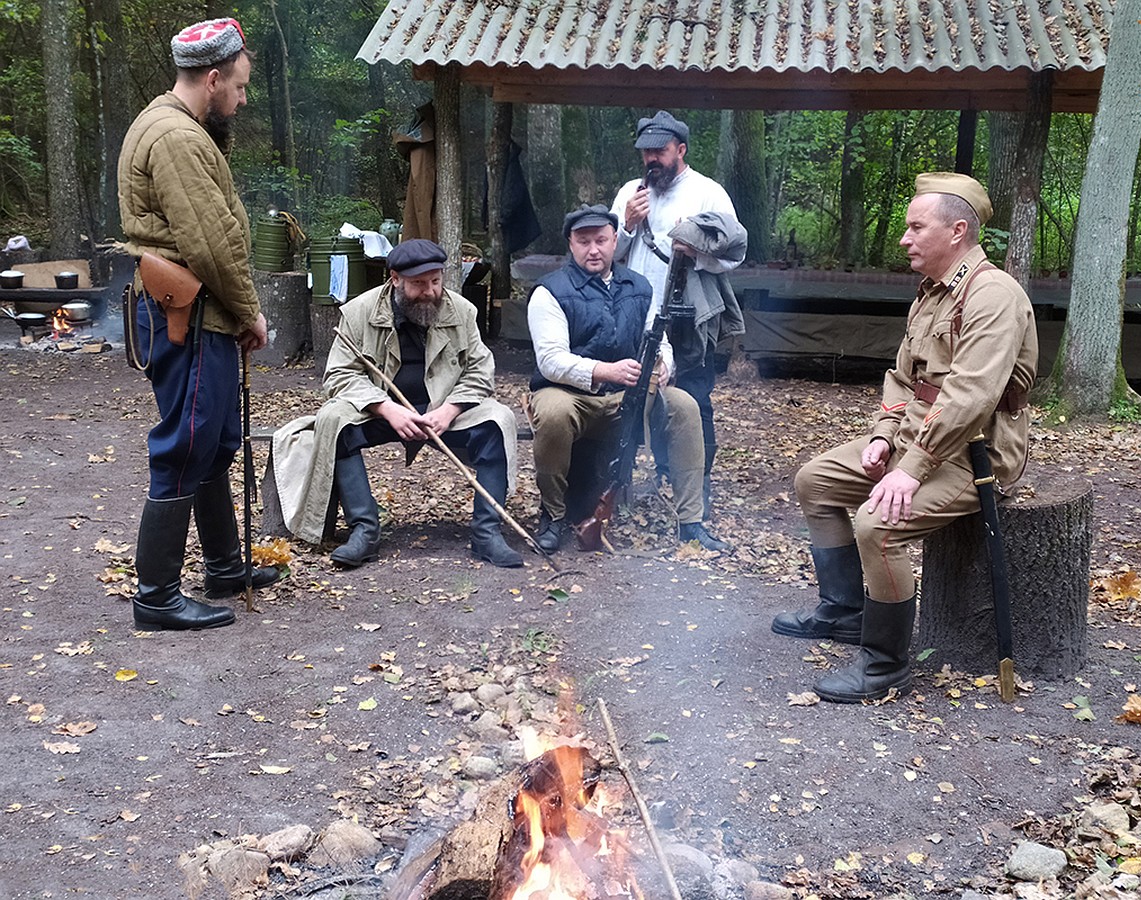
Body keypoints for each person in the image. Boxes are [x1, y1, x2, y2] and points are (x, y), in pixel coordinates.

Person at [773, 173, 1038, 703]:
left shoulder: (993, 295)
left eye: (916, 227)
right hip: (918, 436)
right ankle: (847, 610)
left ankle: (885, 663)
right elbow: (902, 379)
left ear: (958, 230)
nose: (904, 238)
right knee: (816, 481)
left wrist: (908, 469)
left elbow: (969, 398)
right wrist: (882, 438)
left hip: (976, 452)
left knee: (879, 523)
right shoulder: (931, 293)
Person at [117, 17, 282, 631]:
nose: (240, 101)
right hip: (188, 311)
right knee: (186, 443)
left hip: (200, 312)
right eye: (237, 89)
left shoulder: (179, 126)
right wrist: (251, 312)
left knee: (212, 443)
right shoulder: (175, 137)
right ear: (212, 79)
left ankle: (222, 567)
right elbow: (211, 245)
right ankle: (156, 596)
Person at [271, 239, 523, 569]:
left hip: (442, 409)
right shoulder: (359, 312)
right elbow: (338, 375)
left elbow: (480, 369)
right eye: (419, 284)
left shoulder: (461, 311)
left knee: (498, 419)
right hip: (381, 411)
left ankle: (486, 534)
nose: (430, 291)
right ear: (394, 279)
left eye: (436, 280)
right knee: (335, 418)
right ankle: (365, 530)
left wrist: (449, 410)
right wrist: (386, 408)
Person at [527, 204, 730, 554]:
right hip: (570, 393)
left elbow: (658, 337)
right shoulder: (549, 291)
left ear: (614, 240)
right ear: (570, 244)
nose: (594, 249)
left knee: (685, 407)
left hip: (629, 394)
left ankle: (691, 523)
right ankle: (553, 517)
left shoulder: (638, 286)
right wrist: (606, 370)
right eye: (584, 241)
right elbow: (551, 361)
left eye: (601, 240)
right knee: (554, 412)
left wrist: (664, 364)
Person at [611, 111, 745, 515]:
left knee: (693, 403)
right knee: (629, 403)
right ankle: (621, 489)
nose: (653, 159)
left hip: (687, 318)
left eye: (661, 151)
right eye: (647, 152)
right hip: (634, 317)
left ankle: (694, 498)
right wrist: (628, 225)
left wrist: (698, 252)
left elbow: (734, 254)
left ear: (681, 150)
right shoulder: (629, 193)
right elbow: (606, 255)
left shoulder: (709, 192)